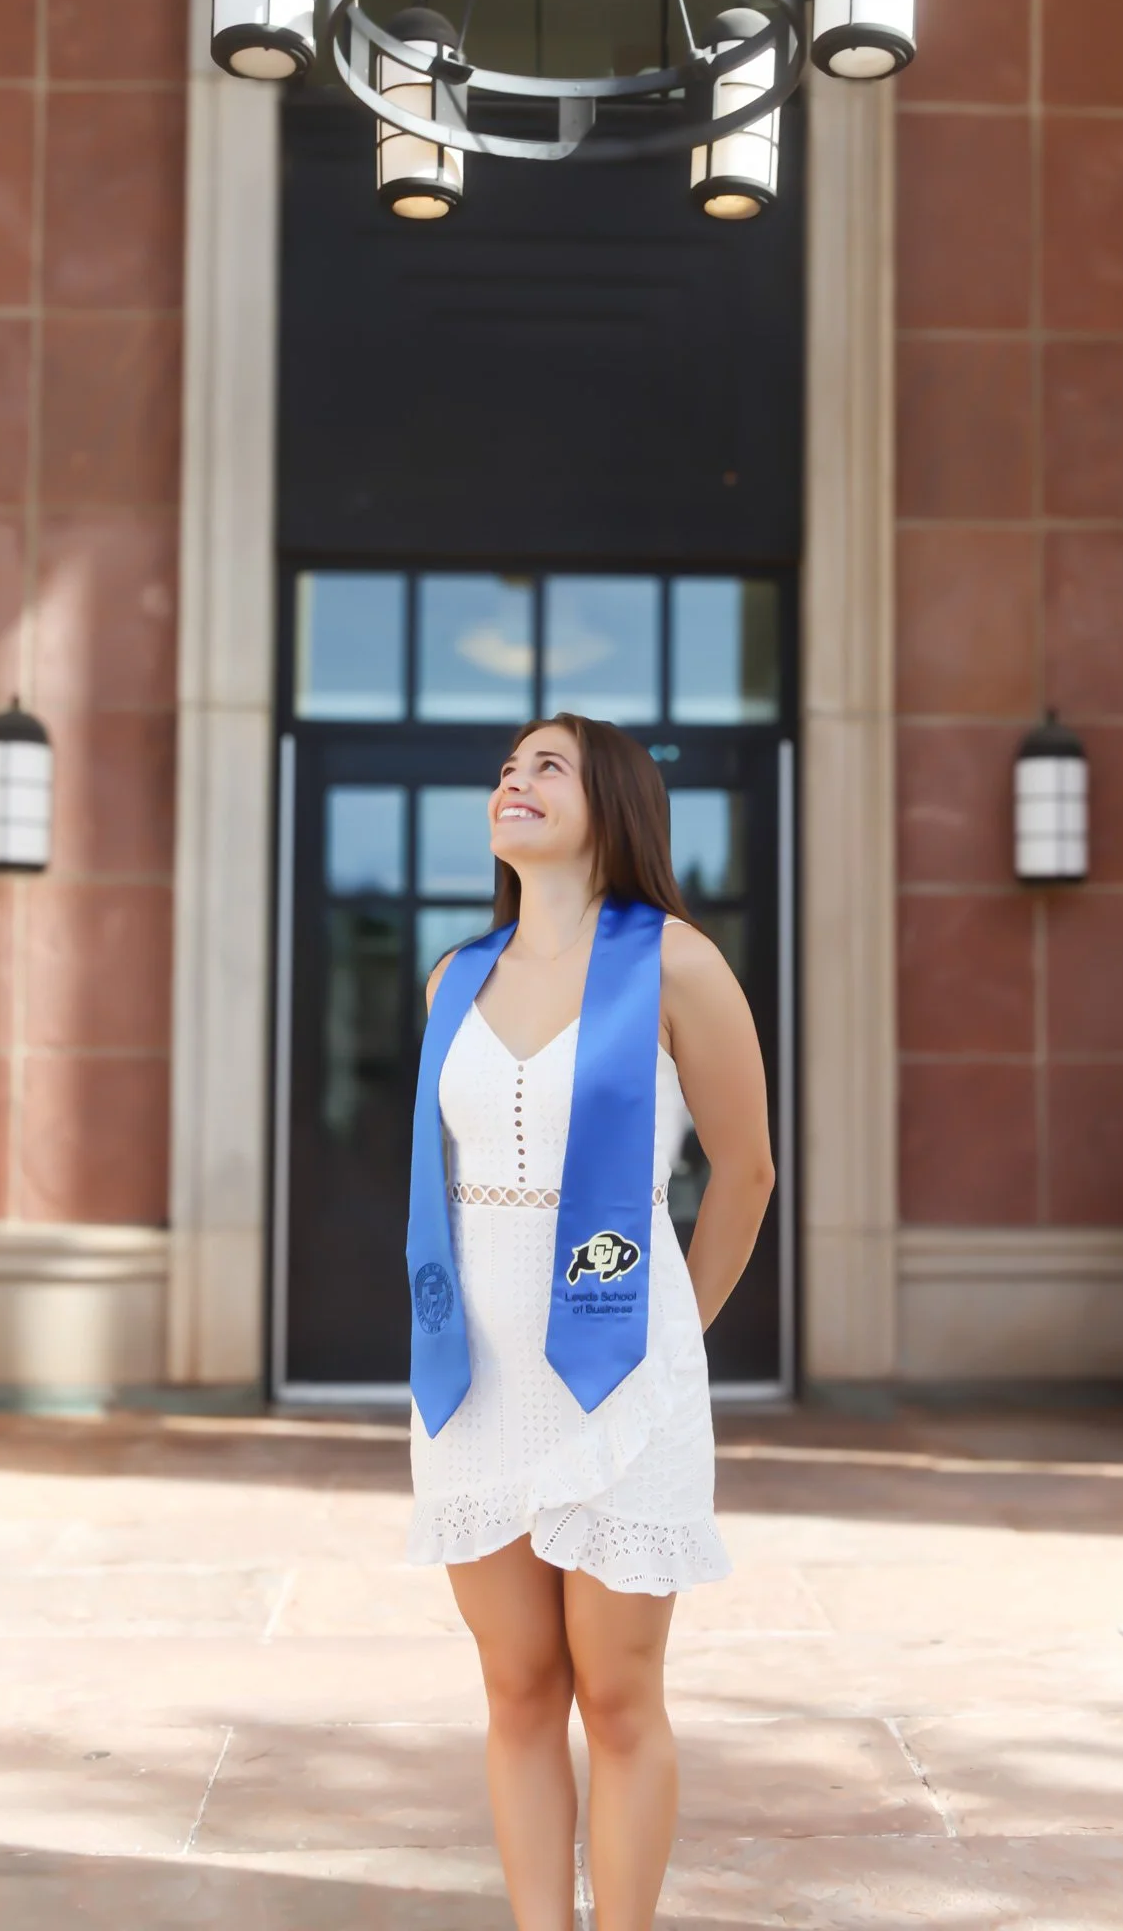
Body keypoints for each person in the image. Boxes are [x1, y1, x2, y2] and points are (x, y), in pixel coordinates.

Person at [405, 710, 775, 1931]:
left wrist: (677, 1339)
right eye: (506, 768)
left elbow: (746, 1167)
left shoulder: (672, 962)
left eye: (545, 765)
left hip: (618, 1367)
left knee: (614, 1694)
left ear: (609, 803)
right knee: (515, 1686)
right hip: (480, 1378)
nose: (513, 780)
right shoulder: (453, 976)